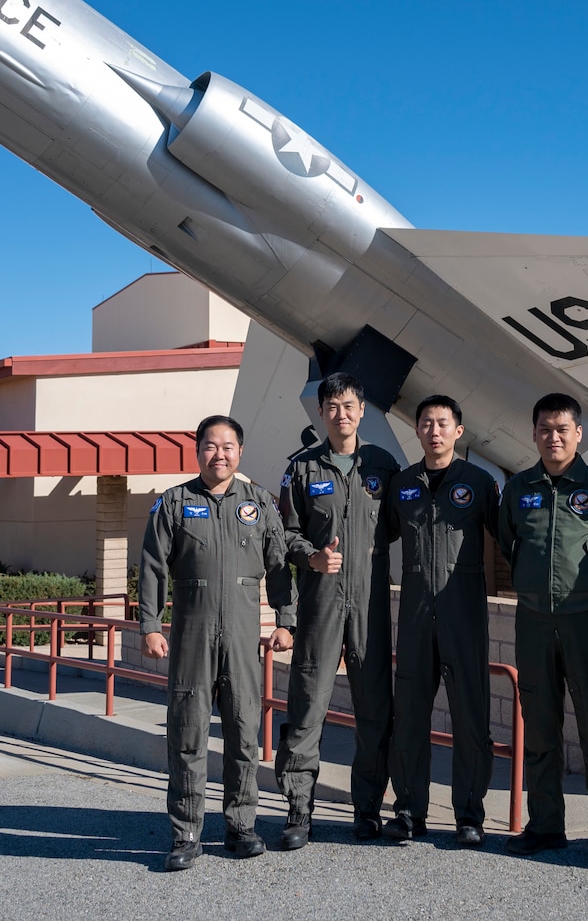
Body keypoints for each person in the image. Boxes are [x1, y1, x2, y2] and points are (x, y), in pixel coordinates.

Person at [137, 414, 300, 871]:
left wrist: (286, 620)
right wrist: (150, 624)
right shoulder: (173, 503)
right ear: (198, 451)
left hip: (244, 636)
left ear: (240, 452)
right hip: (192, 635)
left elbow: (280, 566)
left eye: (228, 446)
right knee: (188, 734)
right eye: (211, 446)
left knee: (244, 732)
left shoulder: (260, 504)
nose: (220, 454)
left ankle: (240, 827)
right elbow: (152, 567)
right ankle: (186, 833)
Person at [495, 391, 588, 869]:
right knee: (539, 727)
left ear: (578, 434)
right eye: (544, 429)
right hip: (534, 622)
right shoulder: (519, 489)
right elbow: (508, 543)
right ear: (533, 433)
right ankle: (546, 825)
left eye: (562, 429)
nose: (553, 437)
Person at [273, 372, 402, 846]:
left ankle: (367, 809)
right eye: (332, 406)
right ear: (322, 412)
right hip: (320, 603)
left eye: (349, 405)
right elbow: (283, 534)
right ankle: (298, 810)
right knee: (308, 705)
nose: (341, 414)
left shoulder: (384, 466)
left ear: (362, 410)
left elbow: (392, 527)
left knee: (374, 709)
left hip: (369, 601)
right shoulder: (302, 469)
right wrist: (312, 556)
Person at [380, 394, 500, 846]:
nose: (434, 430)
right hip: (414, 614)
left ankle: (469, 815)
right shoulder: (402, 483)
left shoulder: (479, 482)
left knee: (471, 717)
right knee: (409, 716)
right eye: (426, 423)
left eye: (443, 423)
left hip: (463, 612)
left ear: (458, 431)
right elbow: (379, 535)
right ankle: (409, 811)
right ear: (417, 430)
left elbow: (509, 538)